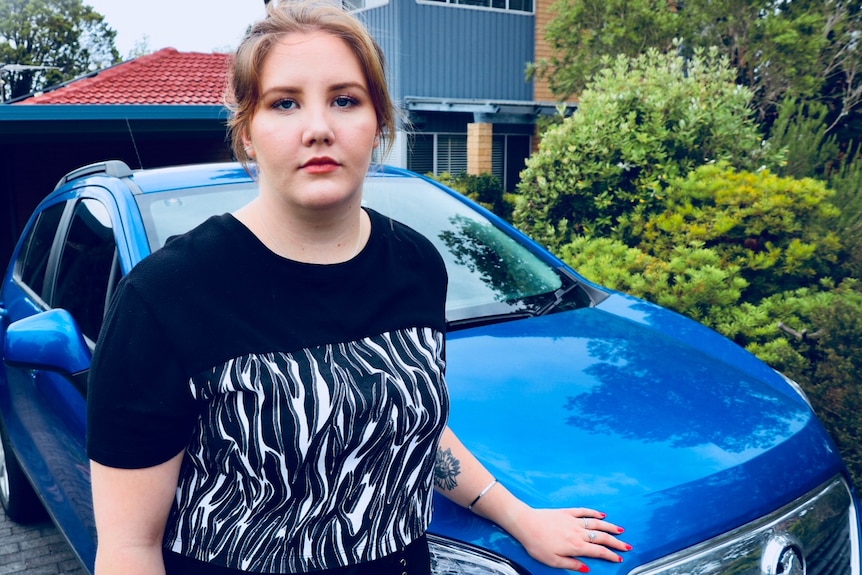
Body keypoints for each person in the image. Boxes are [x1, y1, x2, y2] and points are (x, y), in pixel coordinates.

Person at [86, 2, 632, 574]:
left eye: (345, 100)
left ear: (379, 124)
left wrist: (520, 516)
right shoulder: (165, 298)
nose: (318, 127)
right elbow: (129, 547)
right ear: (247, 132)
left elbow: (406, 424)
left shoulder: (415, 263)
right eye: (285, 102)